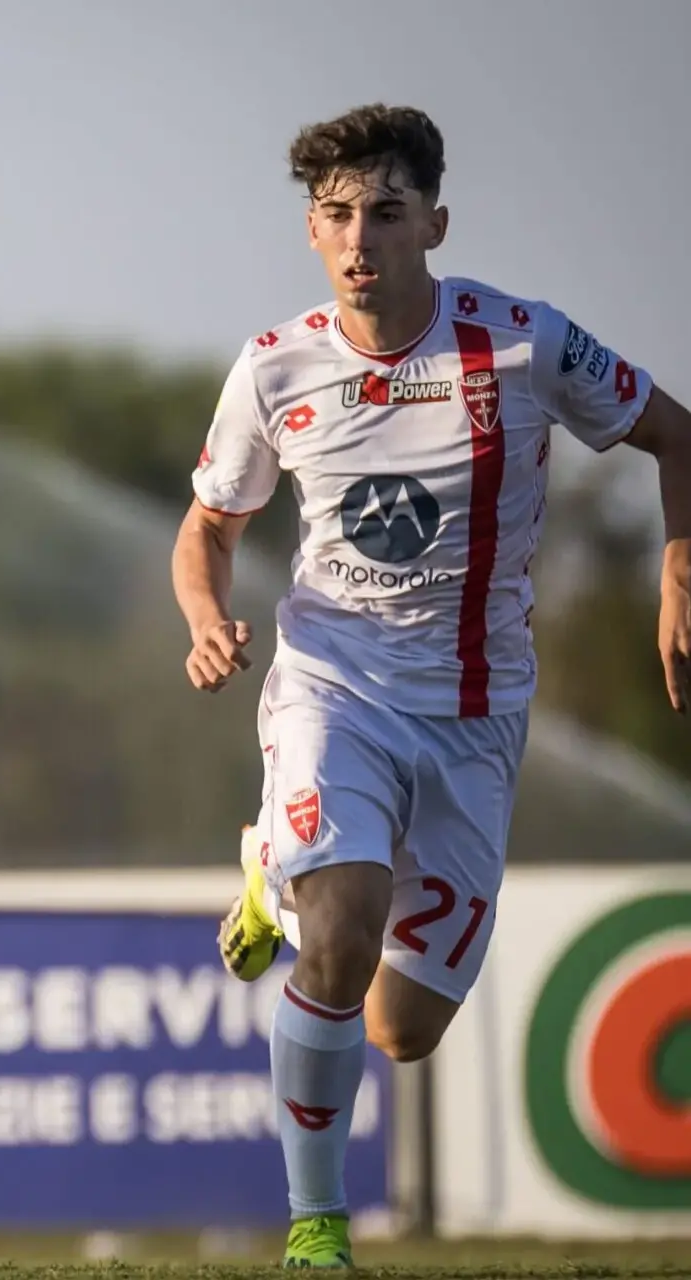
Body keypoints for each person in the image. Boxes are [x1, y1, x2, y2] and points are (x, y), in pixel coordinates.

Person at [173, 103, 691, 1269]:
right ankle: (315, 1223)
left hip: (474, 711)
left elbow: (678, 435)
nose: (358, 238)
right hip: (330, 687)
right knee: (341, 934)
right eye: (334, 215)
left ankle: (267, 867)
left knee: (399, 1028)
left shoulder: (522, 343)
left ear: (433, 224)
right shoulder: (273, 367)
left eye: (384, 213)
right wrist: (207, 619)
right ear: (312, 232)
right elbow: (204, 527)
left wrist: (676, 569)